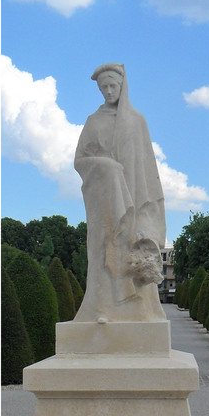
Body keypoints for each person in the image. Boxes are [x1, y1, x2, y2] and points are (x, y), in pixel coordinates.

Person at [74, 63, 166, 322]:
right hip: (103, 201)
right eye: (103, 87)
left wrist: (147, 210)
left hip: (133, 200)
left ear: (122, 87)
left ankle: (138, 311)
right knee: (104, 251)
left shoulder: (136, 121)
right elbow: (79, 160)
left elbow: (147, 167)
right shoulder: (94, 121)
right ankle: (103, 308)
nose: (108, 91)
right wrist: (104, 165)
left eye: (113, 86)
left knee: (129, 251)